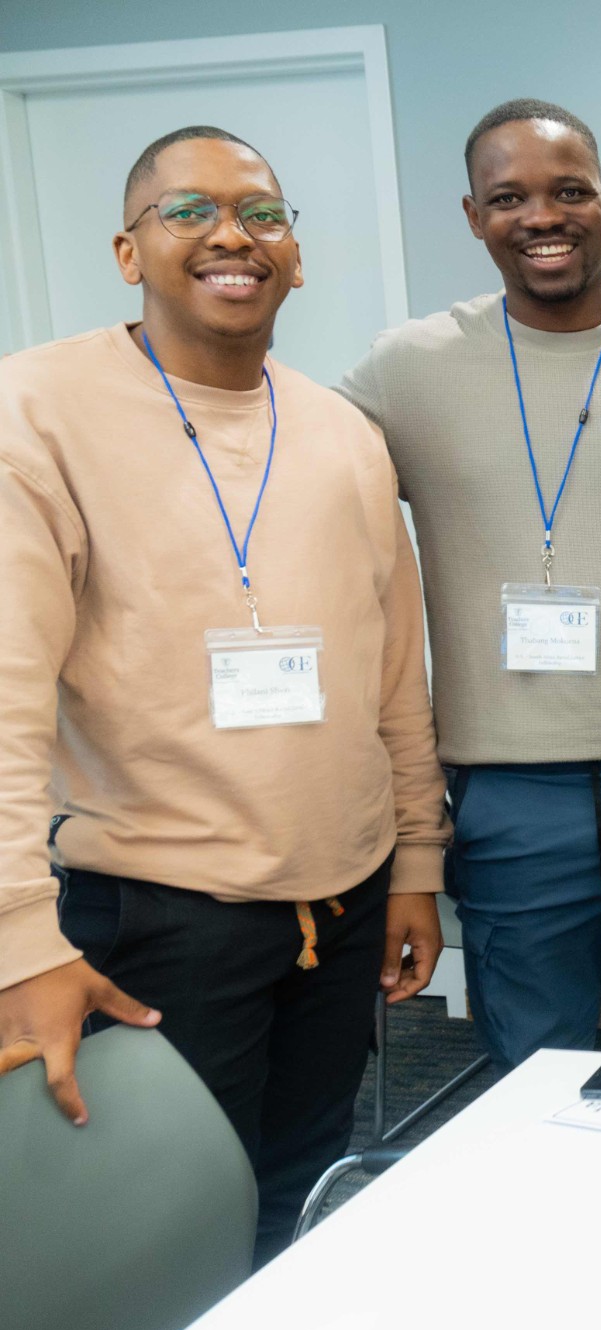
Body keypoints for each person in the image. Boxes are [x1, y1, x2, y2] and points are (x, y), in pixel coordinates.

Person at [0, 126, 448, 1264]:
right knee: (152, 1227)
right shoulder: (37, 411)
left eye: (262, 212)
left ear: (295, 255)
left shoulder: (347, 434)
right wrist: (18, 943)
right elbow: (5, 696)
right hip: (160, 914)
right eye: (188, 211)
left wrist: (415, 863)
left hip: (341, 906)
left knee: (292, 1195)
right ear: (126, 248)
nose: (232, 235)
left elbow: (394, 675)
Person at [338, 99, 601, 1070]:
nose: (543, 216)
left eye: (569, 191)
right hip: (510, 787)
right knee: (536, 1080)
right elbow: (280, 474)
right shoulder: (407, 367)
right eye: (510, 197)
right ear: (472, 215)